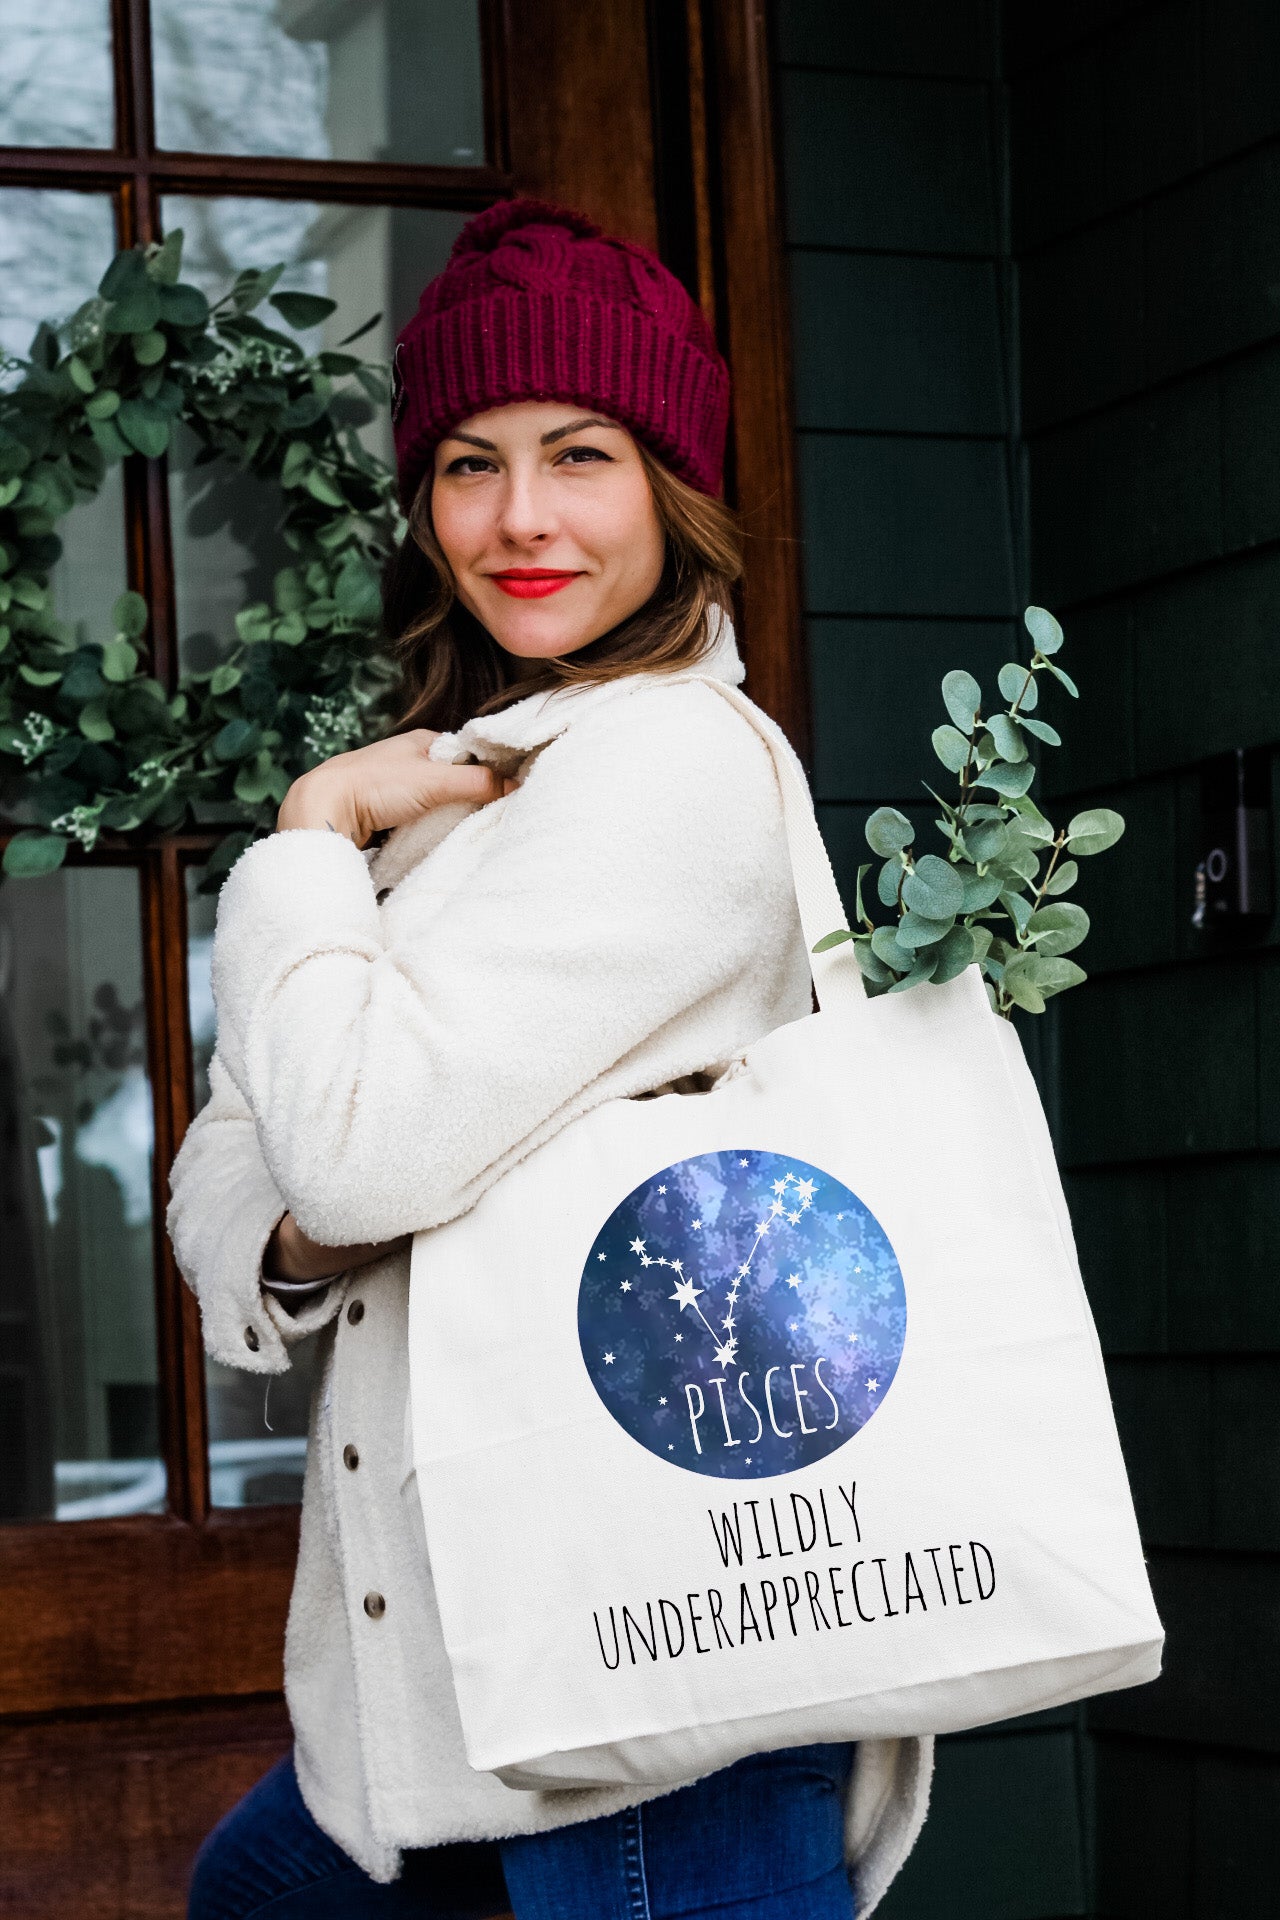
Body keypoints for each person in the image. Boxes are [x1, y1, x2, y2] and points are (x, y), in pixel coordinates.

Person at [171, 199, 932, 1920]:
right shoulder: (464, 789)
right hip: (449, 1685)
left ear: (672, 485)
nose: (518, 519)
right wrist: (311, 1204)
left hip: (650, 1682)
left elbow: (349, 1152)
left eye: (578, 454)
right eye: (466, 462)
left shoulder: (663, 768)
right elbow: (238, 1173)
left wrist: (304, 836)